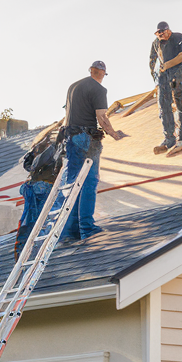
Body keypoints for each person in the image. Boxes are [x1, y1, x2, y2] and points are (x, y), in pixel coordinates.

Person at [59, 60, 126, 240]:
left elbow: (67, 115)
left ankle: (70, 231)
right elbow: (101, 116)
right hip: (86, 138)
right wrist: (113, 133)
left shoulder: (73, 86)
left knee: (73, 184)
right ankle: (87, 228)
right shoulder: (98, 89)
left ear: (91, 70)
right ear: (102, 73)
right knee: (89, 181)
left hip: (71, 137)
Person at [15, 126, 60, 259]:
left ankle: (23, 252)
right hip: (43, 188)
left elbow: (28, 164)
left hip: (32, 187)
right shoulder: (52, 147)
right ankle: (37, 250)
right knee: (43, 220)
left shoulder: (36, 149)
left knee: (28, 220)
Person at [149, 21, 182, 156]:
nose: (161, 36)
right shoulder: (156, 43)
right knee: (163, 107)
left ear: (168, 30)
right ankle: (169, 139)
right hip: (163, 79)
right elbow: (152, 61)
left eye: (163, 33)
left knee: (181, 105)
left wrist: (167, 65)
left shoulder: (179, 38)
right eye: (159, 33)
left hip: (178, 76)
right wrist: (156, 79)